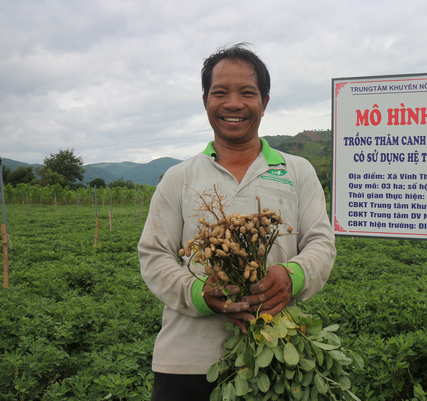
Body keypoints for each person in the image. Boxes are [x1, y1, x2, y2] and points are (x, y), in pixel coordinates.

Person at [137, 43, 336, 400]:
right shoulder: (178, 178)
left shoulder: (297, 171)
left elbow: (321, 243)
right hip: (188, 363)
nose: (233, 104)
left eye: (247, 92)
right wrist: (200, 294)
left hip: (275, 359)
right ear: (205, 100)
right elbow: (154, 256)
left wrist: (292, 276)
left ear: (265, 101)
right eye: (220, 92)